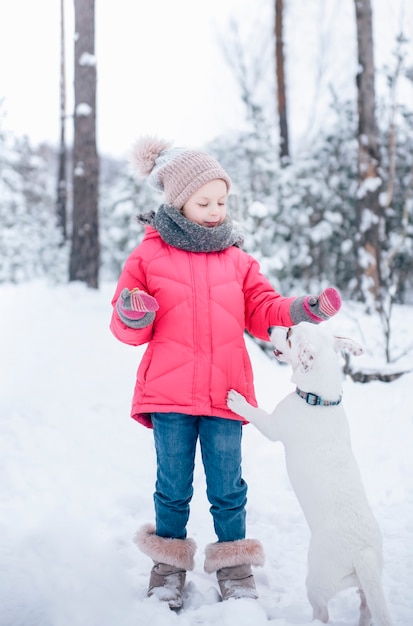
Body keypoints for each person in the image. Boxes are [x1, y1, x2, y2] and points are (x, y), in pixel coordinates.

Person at [110, 136, 341, 610]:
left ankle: (234, 564)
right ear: (178, 201)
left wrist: (303, 309)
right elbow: (127, 325)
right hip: (170, 393)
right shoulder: (147, 257)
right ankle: (169, 566)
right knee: (172, 486)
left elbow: (264, 308)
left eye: (222, 200)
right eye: (205, 201)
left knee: (228, 486)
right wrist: (135, 313)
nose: (216, 210)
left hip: (226, 393)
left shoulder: (237, 260)